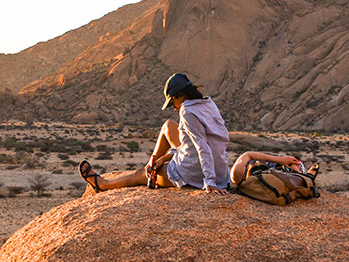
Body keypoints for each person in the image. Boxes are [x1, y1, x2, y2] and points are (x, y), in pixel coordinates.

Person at [78, 73, 230, 195]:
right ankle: (153, 162)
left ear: (180, 96)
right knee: (168, 125)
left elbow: (202, 147)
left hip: (196, 173)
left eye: (172, 103)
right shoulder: (209, 103)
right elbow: (209, 142)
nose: (174, 108)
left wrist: (210, 181)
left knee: (139, 175)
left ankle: (103, 184)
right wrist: (165, 157)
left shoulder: (187, 111)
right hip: (220, 171)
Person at [229, 151, 316, 185]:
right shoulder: (239, 175)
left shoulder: (239, 175)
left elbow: (247, 155)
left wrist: (279, 160)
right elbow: (248, 155)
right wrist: (279, 160)